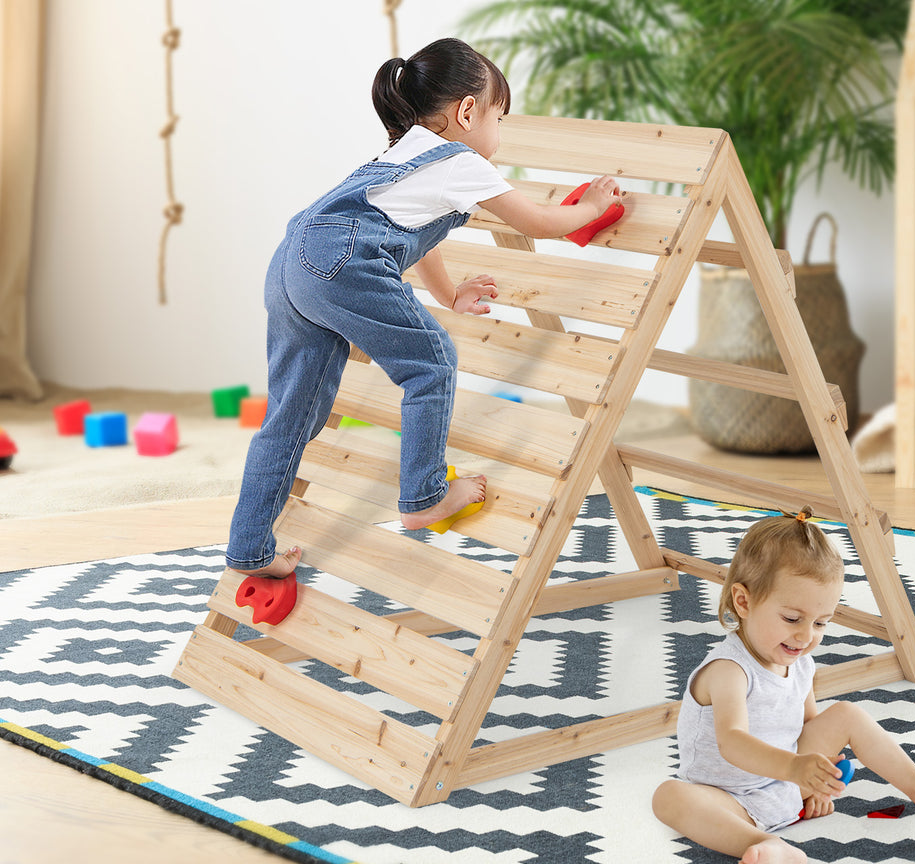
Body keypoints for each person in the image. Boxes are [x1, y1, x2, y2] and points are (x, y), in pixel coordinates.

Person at [224, 37, 623, 578]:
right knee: (430, 363)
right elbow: (538, 223)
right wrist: (595, 206)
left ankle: (251, 549)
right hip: (341, 263)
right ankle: (424, 496)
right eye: (498, 119)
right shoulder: (462, 160)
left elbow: (416, 234)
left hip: (293, 259)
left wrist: (447, 294)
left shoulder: (399, 153)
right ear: (467, 112)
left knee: (291, 416)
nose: (498, 135)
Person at [652, 507, 915, 864]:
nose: (806, 636)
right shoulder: (729, 669)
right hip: (727, 798)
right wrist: (796, 771)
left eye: (821, 622)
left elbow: (806, 727)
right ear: (742, 603)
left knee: (844, 713)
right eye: (792, 618)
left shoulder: (802, 664)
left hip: (782, 784)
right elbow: (733, 743)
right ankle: (765, 845)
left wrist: (817, 778)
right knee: (669, 796)